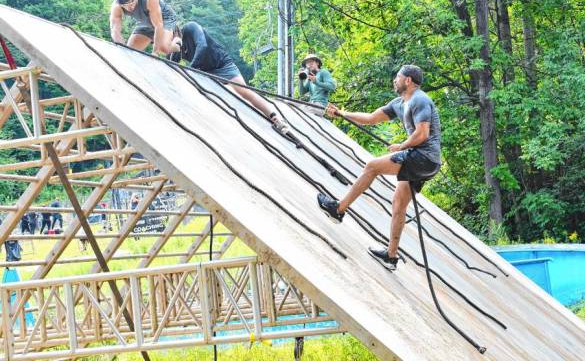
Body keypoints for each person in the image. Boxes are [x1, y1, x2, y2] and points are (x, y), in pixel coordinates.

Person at [317, 65, 441, 271]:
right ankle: (391, 256)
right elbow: (371, 118)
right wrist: (341, 114)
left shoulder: (420, 100)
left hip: (423, 157)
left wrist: (401, 146)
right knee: (398, 205)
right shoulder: (399, 103)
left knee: (372, 166)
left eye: (398, 77)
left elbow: (422, 134)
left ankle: (338, 209)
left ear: (408, 81)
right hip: (426, 162)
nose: (395, 80)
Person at [170, 21, 289, 133]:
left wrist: (191, 68)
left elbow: (203, 45)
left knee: (244, 92)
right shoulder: (176, 45)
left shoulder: (191, 27)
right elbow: (173, 67)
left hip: (222, 65)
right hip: (206, 72)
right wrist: (176, 48)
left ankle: (275, 118)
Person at [109, 0, 181, 55]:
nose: (129, 8)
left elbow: (158, 25)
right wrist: (123, 49)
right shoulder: (117, 6)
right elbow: (115, 31)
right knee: (130, 51)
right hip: (146, 23)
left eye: (131, 3)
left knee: (162, 49)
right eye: (125, 5)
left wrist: (155, 52)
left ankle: (178, 41)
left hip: (164, 19)